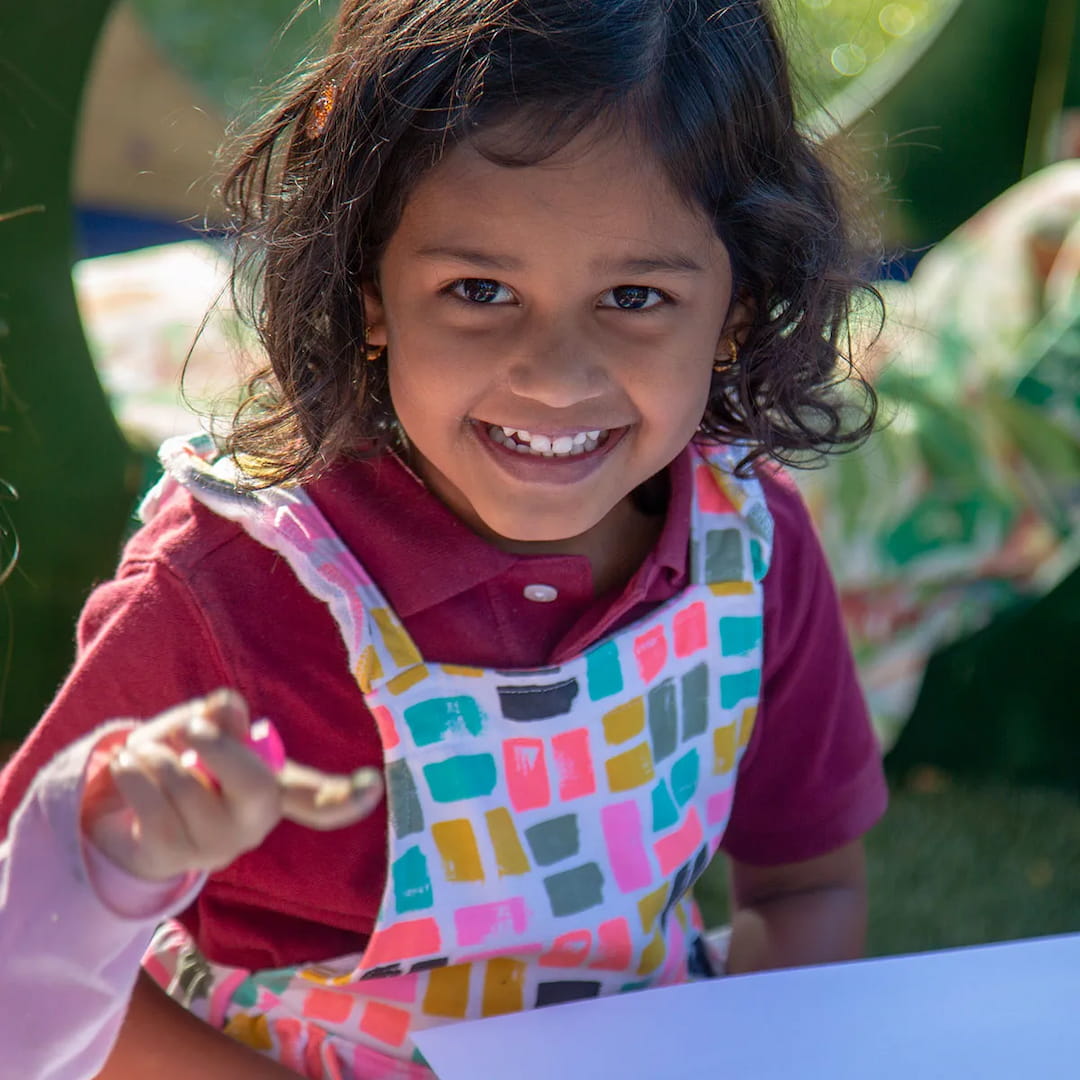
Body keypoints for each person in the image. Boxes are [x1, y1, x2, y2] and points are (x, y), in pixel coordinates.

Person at [0, 0, 888, 1076]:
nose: (554, 375)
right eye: (480, 291)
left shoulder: (749, 547)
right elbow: (26, 942)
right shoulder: (221, 589)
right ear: (369, 290)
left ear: (738, 309)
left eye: (635, 296)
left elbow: (806, 888)